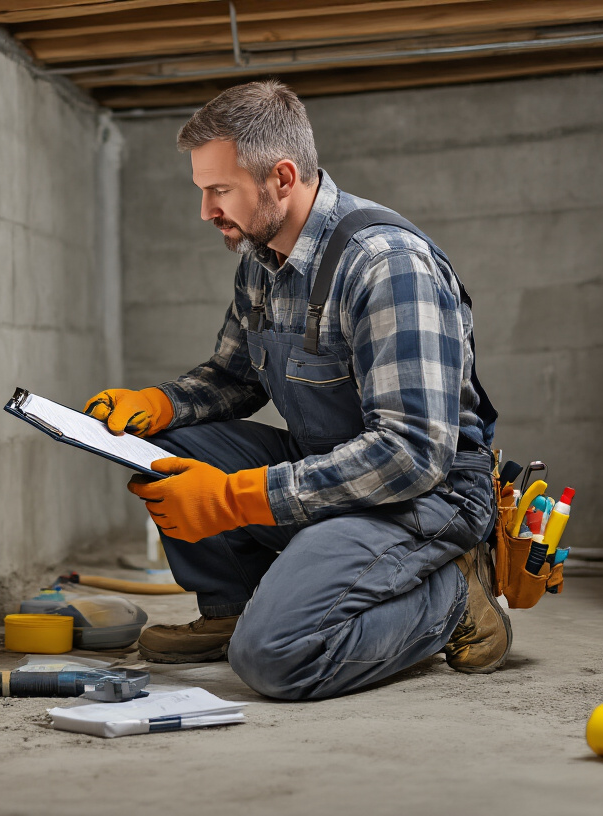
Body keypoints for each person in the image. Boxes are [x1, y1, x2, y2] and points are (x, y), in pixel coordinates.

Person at [83, 80, 509, 701]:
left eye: (218, 190)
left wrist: (235, 498)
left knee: (273, 657)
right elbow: (233, 378)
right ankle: (232, 606)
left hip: (423, 500)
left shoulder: (387, 265)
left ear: (281, 178)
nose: (205, 210)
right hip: (331, 473)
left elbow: (412, 454)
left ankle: (451, 595)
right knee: (167, 443)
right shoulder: (261, 263)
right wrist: (159, 404)